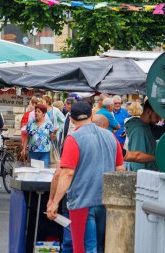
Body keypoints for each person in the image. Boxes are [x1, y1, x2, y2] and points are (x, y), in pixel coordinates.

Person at [47, 102, 124, 253]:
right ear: (91, 115)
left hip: (82, 201)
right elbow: (120, 169)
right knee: (102, 246)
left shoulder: (74, 138)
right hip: (107, 201)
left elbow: (66, 173)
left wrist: (54, 201)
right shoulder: (110, 136)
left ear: (72, 119)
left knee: (83, 248)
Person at [125, 101, 160, 171]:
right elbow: (137, 159)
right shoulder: (138, 130)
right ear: (149, 111)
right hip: (145, 176)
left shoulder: (146, 126)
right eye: (158, 114)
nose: (160, 119)